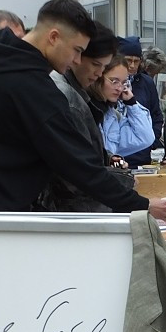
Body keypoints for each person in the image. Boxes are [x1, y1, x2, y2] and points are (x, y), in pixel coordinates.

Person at [0, 0, 166, 221]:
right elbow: (78, 166)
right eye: (77, 50)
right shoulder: (38, 89)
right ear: (54, 36)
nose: (77, 60)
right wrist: (143, 205)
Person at [41, 21, 118, 212]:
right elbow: (77, 174)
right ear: (78, 56)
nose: (99, 74)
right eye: (95, 64)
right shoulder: (68, 98)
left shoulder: (71, 93)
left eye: (104, 67)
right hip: (74, 210)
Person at [89, 56, 155, 159]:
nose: (119, 88)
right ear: (98, 77)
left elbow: (145, 138)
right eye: (114, 81)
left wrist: (131, 103)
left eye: (124, 83)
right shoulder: (85, 110)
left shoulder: (112, 117)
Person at [117, 36, 164, 168]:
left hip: (142, 156)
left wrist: (151, 141)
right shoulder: (109, 82)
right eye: (128, 61)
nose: (132, 65)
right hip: (117, 154)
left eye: (136, 61)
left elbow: (156, 115)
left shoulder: (146, 82)